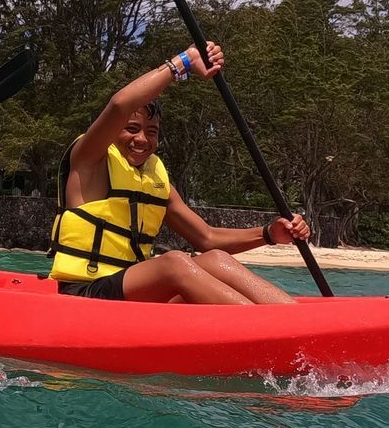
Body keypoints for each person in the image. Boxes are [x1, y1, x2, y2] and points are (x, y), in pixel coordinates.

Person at [50, 42, 311, 304]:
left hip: (131, 297)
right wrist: (184, 62)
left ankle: (294, 320)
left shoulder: (154, 180)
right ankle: (266, 330)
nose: (142, 139)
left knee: (216, 259)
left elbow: (206, 238)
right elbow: (119, 105)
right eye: (132, 128)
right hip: (85, 294)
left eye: (151, 132)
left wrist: (268, 234)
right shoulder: (90, 159)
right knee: (174, 262)